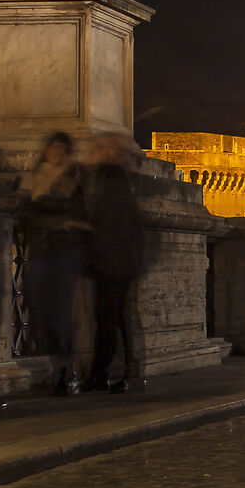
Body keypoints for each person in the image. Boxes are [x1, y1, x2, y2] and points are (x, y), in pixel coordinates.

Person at [23, 131, 89, 394]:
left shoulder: (76, 176)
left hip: (65, 249)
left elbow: (78, 210)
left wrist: (44, 204)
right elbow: (29, 210)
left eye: (61, 148)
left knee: (61, 311)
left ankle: (66, 368)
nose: (55, 152)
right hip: (39, 248)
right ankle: (52, 364)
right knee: (37, 308)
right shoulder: (35, 176)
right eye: (52, 147)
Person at [84, 134, 144, 393]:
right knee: (115, 319)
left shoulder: (109, 182)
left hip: (113, 263)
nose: (91, 152)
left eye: (96, 148)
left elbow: (112, 226)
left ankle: (108, 374)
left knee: (110, 321)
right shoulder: (116, 181)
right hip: (117, 262)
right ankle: (119, 373)